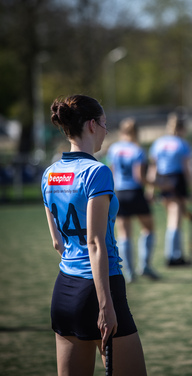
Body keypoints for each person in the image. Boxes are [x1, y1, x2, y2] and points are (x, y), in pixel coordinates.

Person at [41, 95, 147, 376]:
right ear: (91, 125)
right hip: (101, 288)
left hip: (64, 291)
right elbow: (96, 243)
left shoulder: (50, 174)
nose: (106, 130)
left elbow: (57, 242)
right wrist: (105, 306)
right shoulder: (97, 172)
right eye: (103, 123)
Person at [107, 117, 159, 283]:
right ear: (136, 132)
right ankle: (144, 266)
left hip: (119, 193)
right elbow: (140, 177)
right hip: (135, 192)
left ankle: (129, 273)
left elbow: (112, 174)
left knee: (124, 234)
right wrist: (158, 184)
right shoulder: (137, 150)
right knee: (149, 228)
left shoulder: (113, 149)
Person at [149, 112, 192, 266]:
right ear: (182, 128)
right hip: (176, 180)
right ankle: (172, 256)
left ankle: (177, 254)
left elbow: (153, 169)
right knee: (176, 220)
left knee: (172, 218)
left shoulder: (159, 143)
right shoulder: (182, 144)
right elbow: (187, 170)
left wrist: (151, 190)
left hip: (162, 181)